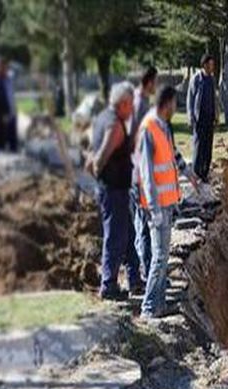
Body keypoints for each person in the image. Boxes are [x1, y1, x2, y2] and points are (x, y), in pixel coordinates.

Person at [88, 81, 143, 300]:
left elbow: (90, 154)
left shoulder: (102, 118)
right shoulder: (115, 127)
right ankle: (108, 285)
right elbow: (98, 160)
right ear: (123, 103)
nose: (132, 110)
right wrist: (101, 177)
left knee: (128, 234)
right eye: (131, 105)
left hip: (114, 190)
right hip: (113, 191)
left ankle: (135, 279)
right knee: (115, 237)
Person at [136, 86, 187, 319]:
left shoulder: (163, 127)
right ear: (167, 103)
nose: (176, 107)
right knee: (158, 258)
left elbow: (171, 159)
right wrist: (154, 208)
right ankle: (148, 308)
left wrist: (187, 175)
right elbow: (146, 173)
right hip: (156, 206)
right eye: (174, 103)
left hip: (167, 203)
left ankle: (160, 305)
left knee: (164, 257)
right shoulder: (149, 129)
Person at [131, 67, 159, 282]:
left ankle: (145, 268)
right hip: (138, 173)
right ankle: (147, 271)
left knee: (142, 224)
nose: (156, 86)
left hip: (139, 170)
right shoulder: (139, 104)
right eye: (155, 82)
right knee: (143, 225)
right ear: (148, 82)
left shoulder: (140, 102)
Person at [186, 54, 217, 182]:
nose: (212, 67)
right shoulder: (196, 79)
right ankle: (196, 173)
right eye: (210, 65)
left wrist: (216, 115)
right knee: (199, 147)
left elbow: (214, 99)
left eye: (213, 65)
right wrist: (190, 117)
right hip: (199, 119)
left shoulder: (212, 79)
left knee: (208, 148)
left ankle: (204, 173)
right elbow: (190, 99)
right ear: (204, 65)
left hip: (210, 119)